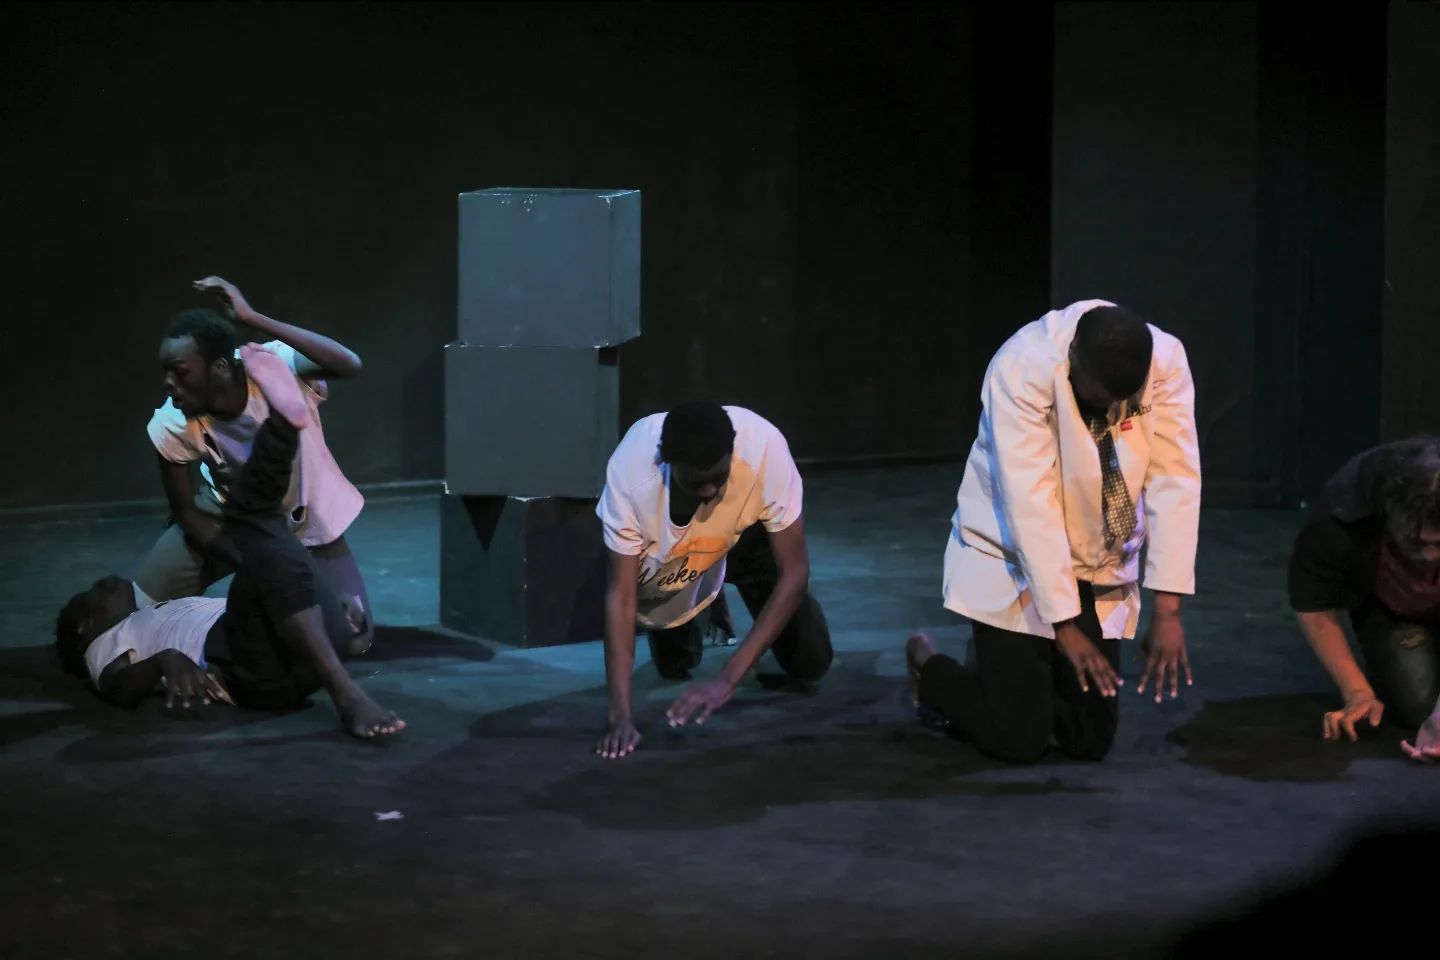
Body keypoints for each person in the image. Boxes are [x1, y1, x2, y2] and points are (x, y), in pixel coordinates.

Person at [905, 299, 1202, 763]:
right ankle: (929, 669)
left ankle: (1005, 672)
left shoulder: (1166, 361)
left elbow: (1175, 478)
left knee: (1088, 740)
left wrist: (1168, 609)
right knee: (1018, 741)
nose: (1112, 409)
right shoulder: (1022, 367)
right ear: (1073, 357)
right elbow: (1030, 504)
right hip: (1012, 554)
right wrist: (1063, 624)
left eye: (1121, 400)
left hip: (1093, 554)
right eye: (1101, 398)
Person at [55, 346, 404, 739]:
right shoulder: (104, 644)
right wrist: (163, 661)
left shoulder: (152, 616)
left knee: (272, 545)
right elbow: (118, 686)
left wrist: (323, 594)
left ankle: (282, 428)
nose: (110, 581)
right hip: (244, 665)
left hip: (283, 652)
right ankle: (347, 695)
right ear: (86, 624)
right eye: (100, 590)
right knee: (259, 528)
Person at [135, 276, 373, 655]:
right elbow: (186, 513)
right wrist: (260, 565)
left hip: (303, 517)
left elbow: (349, 364)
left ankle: (268, 616)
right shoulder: (173, 422)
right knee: (139, 611)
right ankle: (234, 617)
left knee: (352, 638)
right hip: (225, 517)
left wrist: (252, 317)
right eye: (166, 371)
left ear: (219, 367)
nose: (168, 382)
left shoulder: (271, 367)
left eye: (179, 371)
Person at [594, 401, 832, 759]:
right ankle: (702, 591)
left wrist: (726, 680)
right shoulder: (631, 471)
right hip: (674, 553)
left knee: (810, 663)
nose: (708, 491)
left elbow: (795, 572)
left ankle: (724, 580)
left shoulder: (764, 448)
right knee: (676, 666)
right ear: (668, 461)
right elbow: (621, 595)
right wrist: (620, 718)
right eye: (695, 482)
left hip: (747, 540)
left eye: (718, 478)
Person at [1288, 437, 1440, 762]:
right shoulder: (1344, 508)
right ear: (1390, 512)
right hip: (1396, 611)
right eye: (1415, 542)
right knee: (1414, 706)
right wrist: (1357, 692)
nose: (1428, 556)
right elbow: (1315, 605)